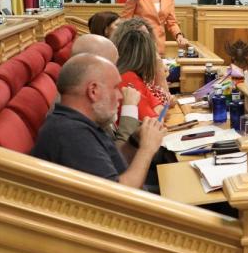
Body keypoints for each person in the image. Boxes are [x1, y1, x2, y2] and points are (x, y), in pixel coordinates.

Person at [32, 54, 166, 189]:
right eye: (115, 87)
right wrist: (146, 149)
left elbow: (115, 163)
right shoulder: (70, 134)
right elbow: (116, 195)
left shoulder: (80, 122)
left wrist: (135, 141)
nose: (120, 96)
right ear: (93, 91)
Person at [69, 33, 143, 157]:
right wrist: (129, 109)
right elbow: (119, 162)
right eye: (113, 66)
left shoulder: (87, 90)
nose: (117, 72)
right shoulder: (76, 108)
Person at [111, 17, 172, 107]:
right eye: (141, 37)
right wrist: (158, 64)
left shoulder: (140, 71)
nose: (148, 42)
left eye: (148, 36)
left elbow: (163, 101)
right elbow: (162, 107)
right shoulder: (127, 76)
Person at [115, 29, 166, 120]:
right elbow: (152, 124)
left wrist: (157, 114)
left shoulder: (134, 76)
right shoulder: (128, 78)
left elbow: (161, 108)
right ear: (147, 55)